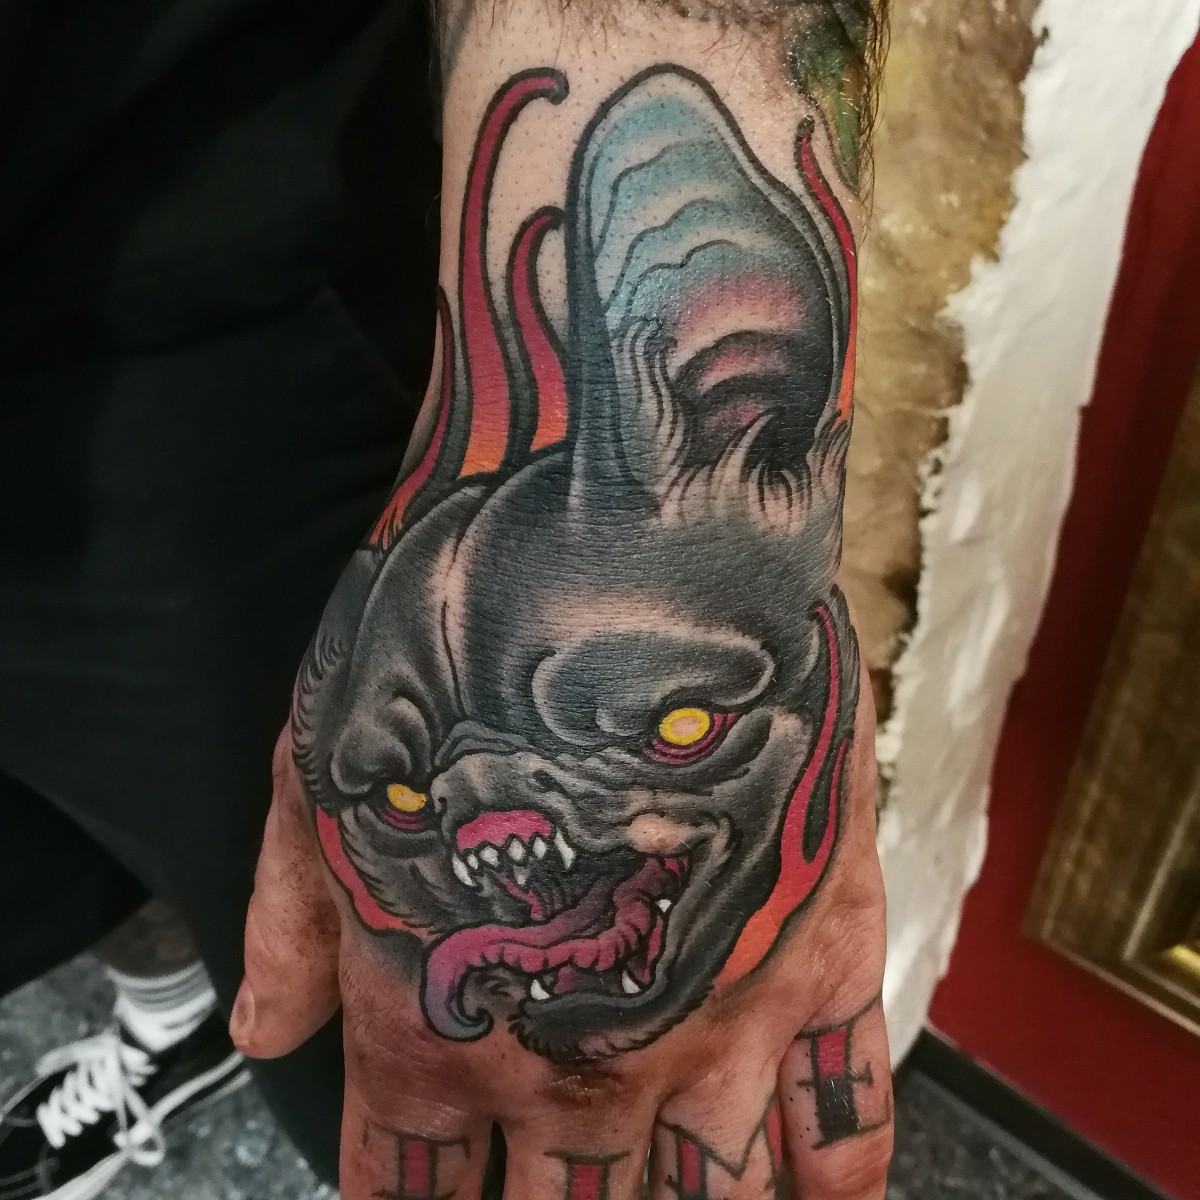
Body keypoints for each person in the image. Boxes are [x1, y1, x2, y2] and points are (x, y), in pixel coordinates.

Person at [0, 2, 893, 1199]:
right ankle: (172, 1013)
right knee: (72, 837)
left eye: (672, 720)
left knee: (428, 1049)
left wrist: (692, 562)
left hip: (189, 315)